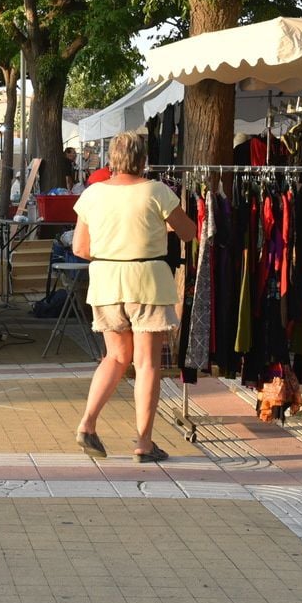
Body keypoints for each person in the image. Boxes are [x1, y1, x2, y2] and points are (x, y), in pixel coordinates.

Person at [72, 132, 197, 463]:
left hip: (106, 281)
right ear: (144, 160)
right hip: (148, 282)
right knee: (146, 363)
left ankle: (87, 423)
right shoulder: (157, 191)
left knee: (114, 357)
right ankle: (143, 442)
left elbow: (80, 248)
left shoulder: (92, 194)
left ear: (111, 160)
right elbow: (188, 232)